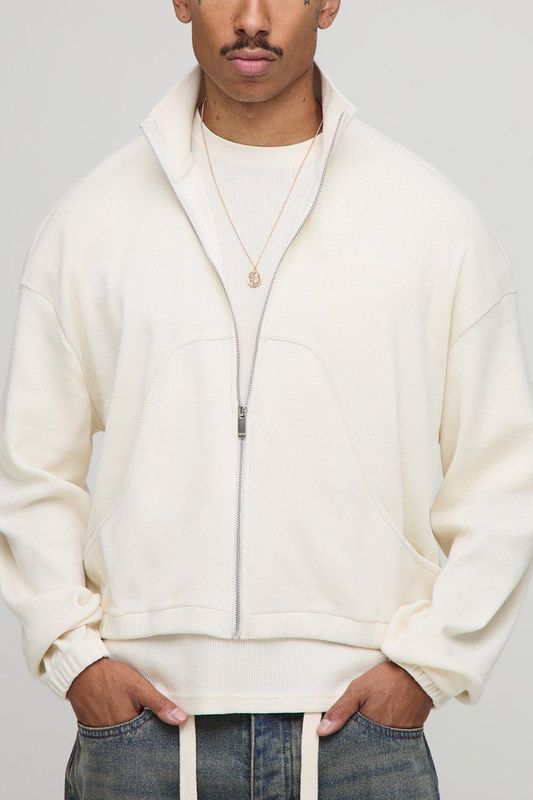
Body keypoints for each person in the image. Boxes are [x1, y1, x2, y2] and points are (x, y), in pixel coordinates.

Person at [1, 1, 532, 798]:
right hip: (141, 737)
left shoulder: (430, 223)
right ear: (181, 1)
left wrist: (429, 666)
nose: (252, 18)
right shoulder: (91, 222)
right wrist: (74, 658)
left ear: (329, 2)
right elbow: (33, 469)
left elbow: (502, 475)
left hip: (361, 738)